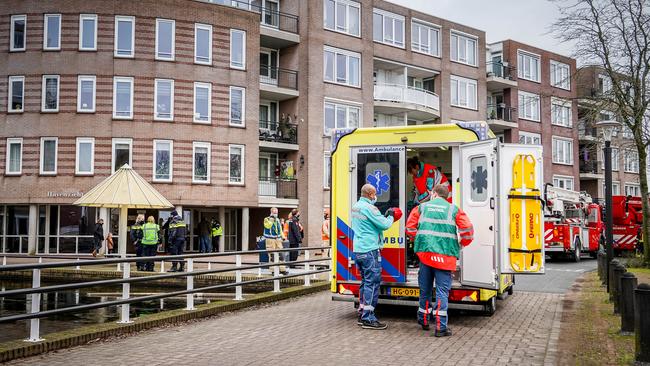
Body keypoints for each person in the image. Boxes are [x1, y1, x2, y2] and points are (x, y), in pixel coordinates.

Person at [406, 184, 474, 337]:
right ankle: (440, 327)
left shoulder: (421, 208)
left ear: (434, 193)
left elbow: (410, 228)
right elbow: (468, 230)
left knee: (425, 290)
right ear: (445, 196)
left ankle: (423, 320)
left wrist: (419, 241)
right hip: (445, 257)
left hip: (425, 256)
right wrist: (461, 244)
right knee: (442, 292)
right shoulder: (453, 209)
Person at [352, 184, 402, 330]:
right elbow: (384, 224)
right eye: (374, 194)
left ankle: (362, 312)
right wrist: (391, 216)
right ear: (370, 194)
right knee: (372, 283)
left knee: (365, 282)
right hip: (370, 250)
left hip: (359, 250)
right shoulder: (370, 208)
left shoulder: (356, 206)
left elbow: (371, 224)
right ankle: (368, 317)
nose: (376, 196)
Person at [263, 207, 287, 275]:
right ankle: (273, 270)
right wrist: (271, 219)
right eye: (274, 212)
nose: (276, 214)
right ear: (271, 212)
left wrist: (283, 237)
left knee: (281, 254)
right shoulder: (266, 219)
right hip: (270, 239)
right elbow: (267, 226)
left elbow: (280, 229)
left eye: (276, 212)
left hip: (278, 239)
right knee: (272, 255)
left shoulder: (277, 220)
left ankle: (282, 269)